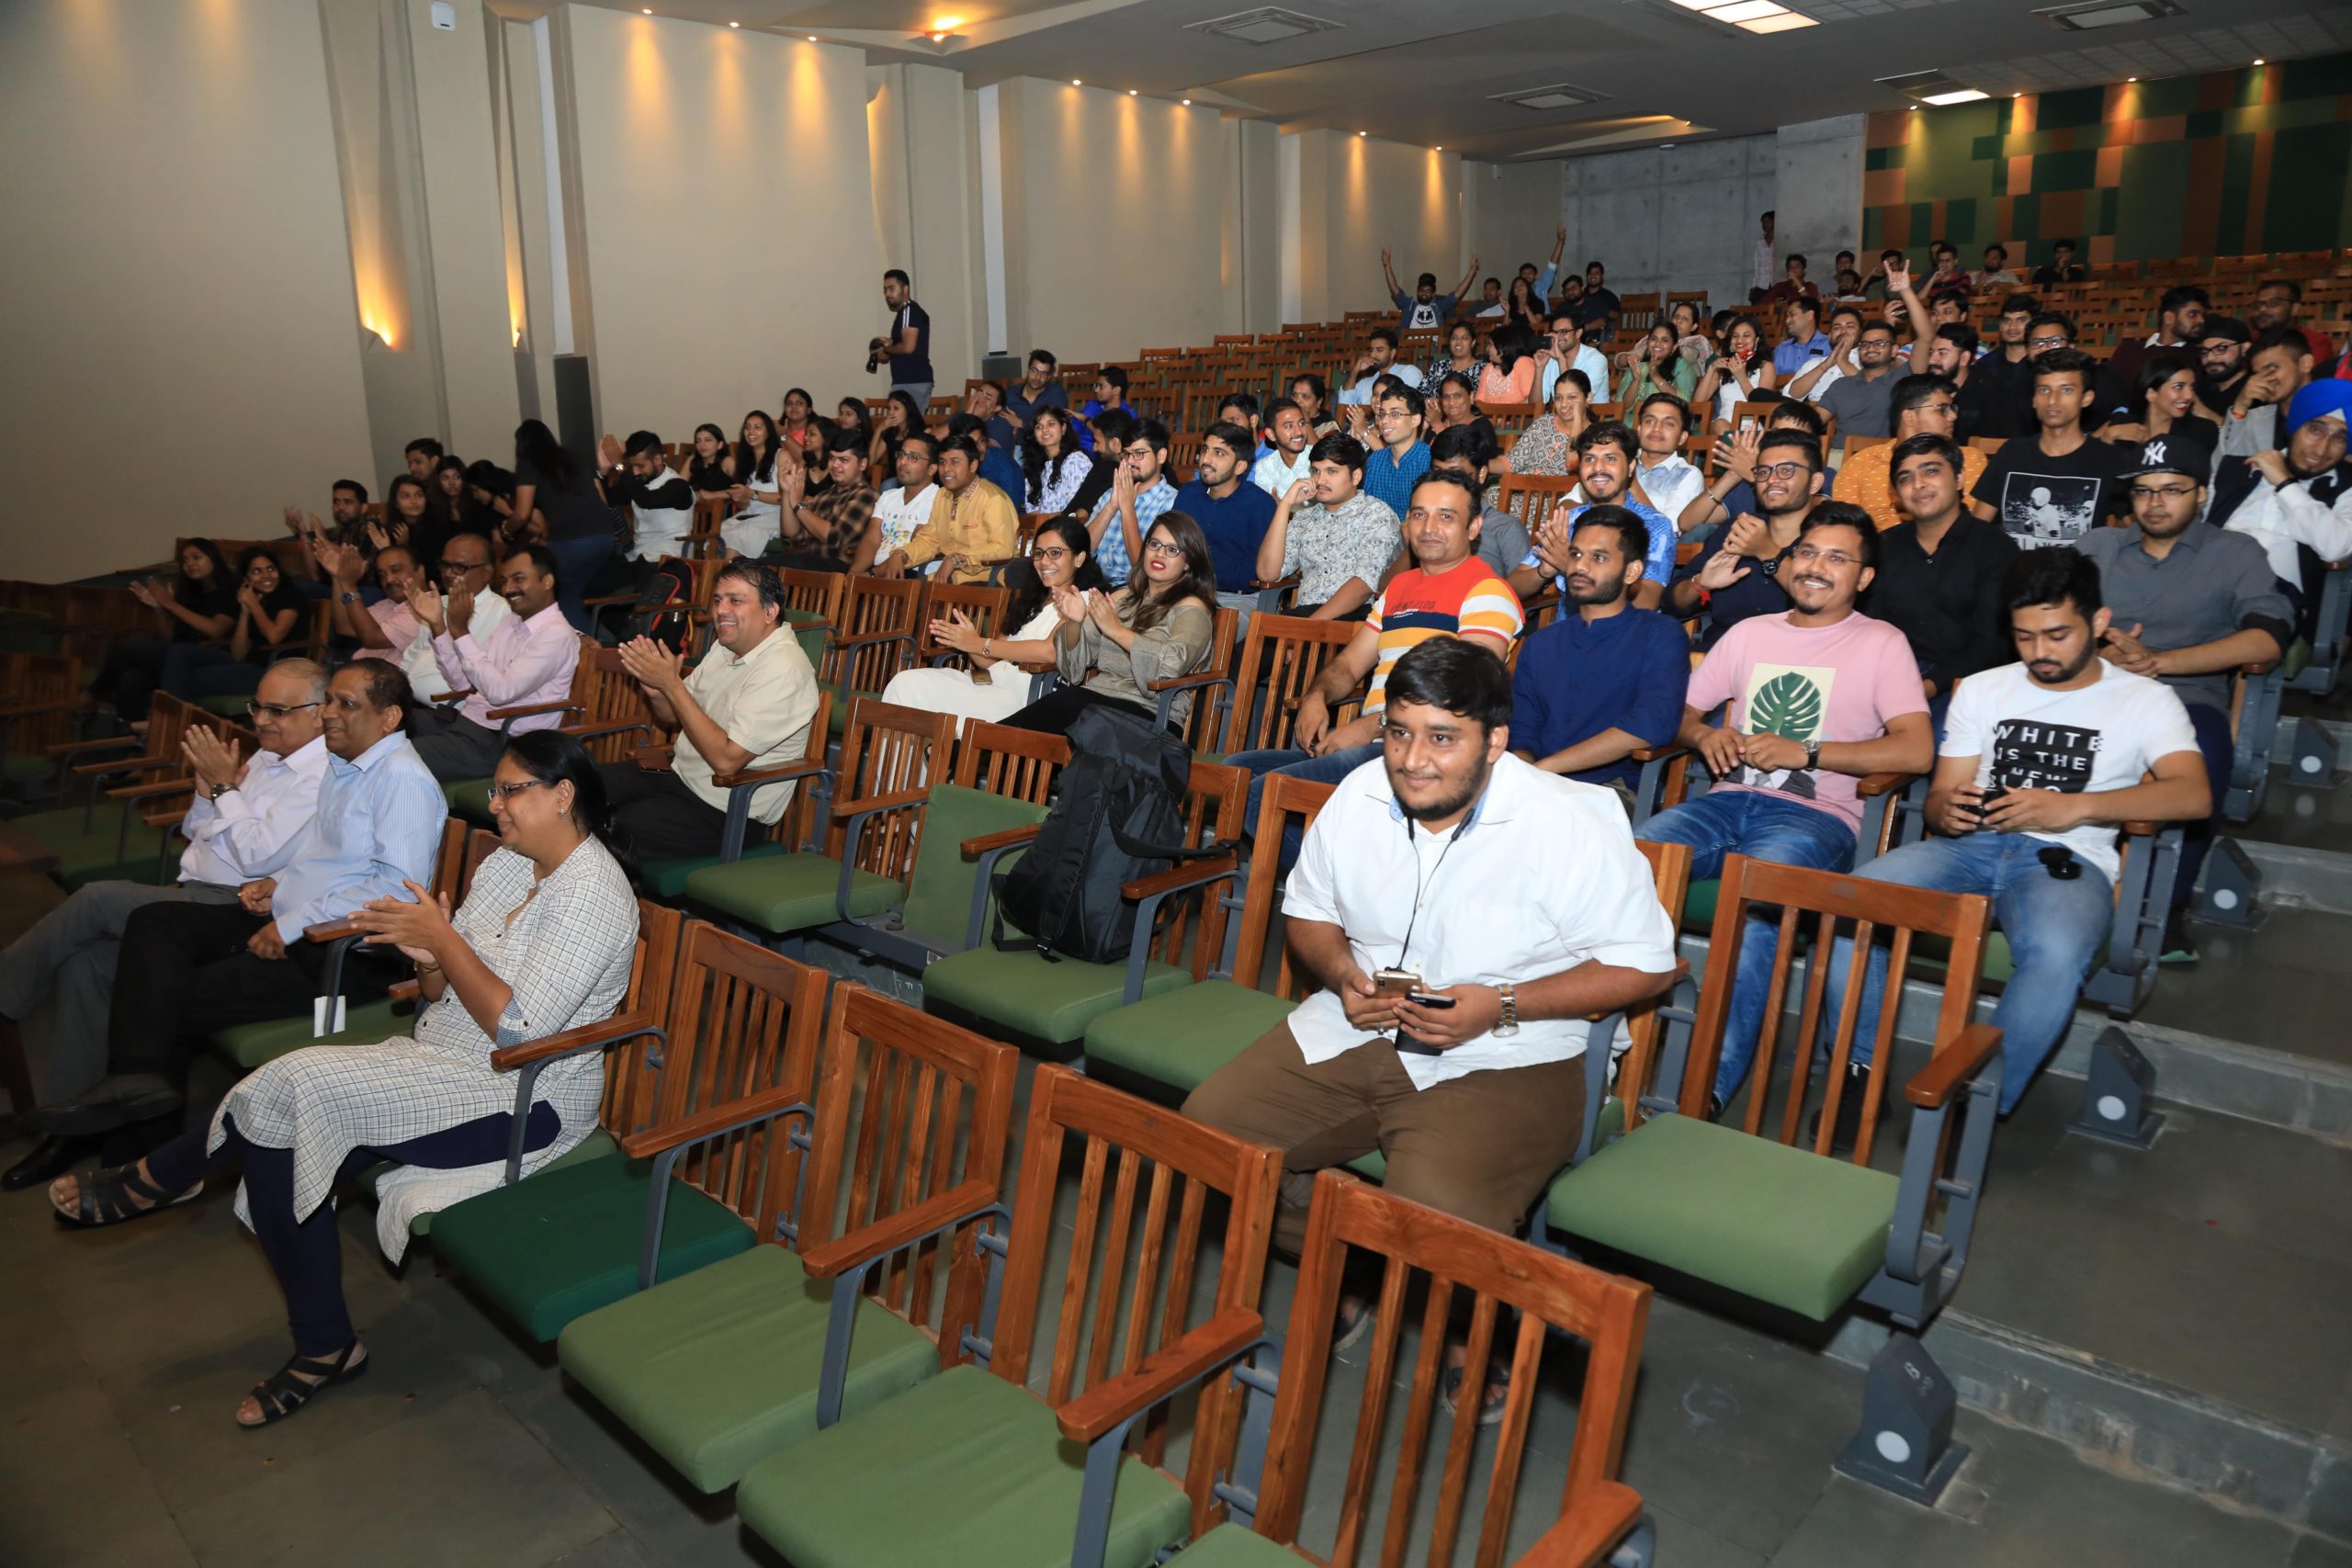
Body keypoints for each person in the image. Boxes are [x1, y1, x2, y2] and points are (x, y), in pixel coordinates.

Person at [45, 728, 637, 1429]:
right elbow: (444, 995)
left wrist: (443, 939)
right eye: (494, 790)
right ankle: (325, 1344)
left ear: (563, 794)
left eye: (511, 791)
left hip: (522, 1095)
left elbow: (521, 1031)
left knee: (295, 1081)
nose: (496, 805)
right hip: (443, 1057)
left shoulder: (594, 892)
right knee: (276, 1143)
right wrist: (427, 954)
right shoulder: (510, 865)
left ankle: (164, 1173)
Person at [1184, 637, 1678, 1419]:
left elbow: (1649, 966)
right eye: (1399, 731)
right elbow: (1307, 912)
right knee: (1211, 1137)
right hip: (1359, 1027)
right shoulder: (1361, 794)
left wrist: (1502, 1003)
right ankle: (1355, 1257)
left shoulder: (1566, 819)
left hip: (1513, 1050)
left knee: (1429, 1221)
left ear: (1496, 741)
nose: (1414, 759)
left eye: (1442, 737)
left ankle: (1473, 1322)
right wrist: (1344, 976)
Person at [1821, 547, 2208, 1130]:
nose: (2039, 653)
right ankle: (1855, 1074)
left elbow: (2191, 793)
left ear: (2098, 623)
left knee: (2053, 956)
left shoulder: (2144, 699)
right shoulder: (1984, 688)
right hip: (1971, 844)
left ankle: (1970, 1106)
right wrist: (1948, 808)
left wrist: (2075, 807)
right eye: (2025, 638)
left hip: (2067, 857)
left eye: (2056, 635)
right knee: (1852, 903)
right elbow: (1942, 795)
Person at [24, 661, 447, 1143]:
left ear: (390, 717)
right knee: (156, 921)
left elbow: (392, 890)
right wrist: (278, 880)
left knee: (163, 996)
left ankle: (139, 1148)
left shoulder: (401, 779)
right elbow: (330, 858)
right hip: (297, 923)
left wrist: (290, 924)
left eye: (346, 704)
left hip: (341, 955)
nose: (329, 713)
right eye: (329, 699)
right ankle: (134, 1080)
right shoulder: (345, 765)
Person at [1638, 505, 1933, 1105]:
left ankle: (1707, 1088)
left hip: (1816, 817)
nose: (1815, 567)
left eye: (1836, 557)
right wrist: (1703, 736)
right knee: (1629, 861)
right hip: (1724, 803)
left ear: (1865, 577)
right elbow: (1682, 713)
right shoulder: (1750, 634)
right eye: (1806, 552)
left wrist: (1810, 753)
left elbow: (1917, 749)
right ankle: (1609, 1042)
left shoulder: (1882, 643)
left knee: (1755, 905)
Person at [0, 662, 332, 1189]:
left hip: (235, 906)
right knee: (88, 965)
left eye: (278, 710)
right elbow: (196, 831)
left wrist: (224, 785)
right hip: (190, 892)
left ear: (320, 715)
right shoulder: (270, 758)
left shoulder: (322, 775)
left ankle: (3, 997)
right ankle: (70, 1124)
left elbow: (254, 856)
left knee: (93, 899)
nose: (263, 721)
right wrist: (207, 792)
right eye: (258, 707)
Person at [1228, 470, 1523, 863]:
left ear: (1474, 527)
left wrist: (1370, 727)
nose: (1429, 528)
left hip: (1418, 752)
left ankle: (1348, 885)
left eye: (1446, 517)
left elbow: (1465, 689)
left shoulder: (1487, 591)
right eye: (1419, 515)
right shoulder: (1400, 588)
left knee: (1260, 792)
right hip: (1373, 742)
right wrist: (1317, 697)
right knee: (1237, 772)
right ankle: (1346, 873)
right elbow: (1350, 664)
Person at [2077, 434, 2290, 961]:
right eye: (2144, 491)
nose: (2155, 503)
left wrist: (2159, 662)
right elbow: (2046, 619)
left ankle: (2163, 906)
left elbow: (2268, 637)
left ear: (2201, 493)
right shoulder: (2096, 547)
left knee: (2205, 757)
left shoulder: (2235, 552)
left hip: (2186, 697)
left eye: (2172, 490)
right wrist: (2101, 654)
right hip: (2091, 689)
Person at [599, 562, 820, 860]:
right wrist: (659, 693)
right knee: (577, 785)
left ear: (770, 611)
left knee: (606, 827)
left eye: (735, 600)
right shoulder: (725, 647)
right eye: (717, 600)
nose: (721, 609)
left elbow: (727, 762)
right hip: (678, 779)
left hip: (725, 811)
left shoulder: (784, 669)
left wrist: (673, 687)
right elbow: (673, 717)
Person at [1508, 507, 1690, 809]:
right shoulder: (1541, 643)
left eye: (1599, 557)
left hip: (1611, 791)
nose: (1581, 567)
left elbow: (1651, 724)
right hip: (1536, 785)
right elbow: (1522, 731)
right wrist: (1525, 771)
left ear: (1631, 571)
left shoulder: (1660, 635)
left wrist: (1542, 771)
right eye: (1576, 555)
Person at [1004, 511, 1217, 738]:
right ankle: (987, 747)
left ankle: (986, 750)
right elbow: (1072, 669)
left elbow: (1172, 665)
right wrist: (1075, 622)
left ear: (1188, 563)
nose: (1159, 554)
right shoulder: (1122, 598)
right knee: (1063, 706)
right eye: (1154, 544)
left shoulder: (1192, 607)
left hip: (1152, 714)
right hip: (1096, 701)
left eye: (1172, 549)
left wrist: (1116, 630)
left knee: (1069, 704)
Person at [884, 514, 1102, 729]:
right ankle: (915, 764)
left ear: (1078, 558)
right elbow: (992, 662)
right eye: (1038, 553)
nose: (1045, 561)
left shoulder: (1083, 600)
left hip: (1026, 701)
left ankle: (932, 760)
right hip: (992, 684)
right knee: (904, 683)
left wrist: (979, 644)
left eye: (1055, 553)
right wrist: (967, 642)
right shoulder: (1030, 599)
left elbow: (1050, 652)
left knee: (910, 691)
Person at [1865, 434, 2021, 726]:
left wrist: (1927, 686)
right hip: (1892, 676)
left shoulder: (1996, 548)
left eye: (1931, 471)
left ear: (1960, 479)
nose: (1919, 484)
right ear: (1896, 493)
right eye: (1905, 478)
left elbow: (1993, 645)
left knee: (1933, 741)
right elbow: (1872, 623)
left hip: (1966, 685)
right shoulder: (1885, 545)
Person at [407, 544, 581, 783]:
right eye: (505, 580)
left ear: (547, 581)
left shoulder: (556, 635)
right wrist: (439, 625)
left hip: (504, 742)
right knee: (379, 720)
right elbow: (461, 682)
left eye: (518, 579)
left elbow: (501, 692)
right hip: (469, 723)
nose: (508, 589)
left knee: (395, 756)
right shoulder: (511, 622)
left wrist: (460, 631)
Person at [2204, 383, 2352, 632]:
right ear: (2294, 427)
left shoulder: (2346, 486)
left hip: (2275, 603)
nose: (2321, 449)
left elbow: (2336, 548)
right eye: (2315, 429)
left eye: (2340, 437)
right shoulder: (2235, 470)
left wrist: (2284, 484)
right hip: (2206, 586)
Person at [1666, 430, 1829, 647]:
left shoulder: (1831, 540)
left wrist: (1766, 551)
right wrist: (1700, 585)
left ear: (1815, 482)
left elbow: (1826, 606)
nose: (1772, 480)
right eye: (1763, 472)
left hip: (1795, 660)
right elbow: (1671, 604)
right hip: (1722, 653)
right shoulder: (1737, 530)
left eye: (1786, 471)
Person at [1971, 348, 2132, 549]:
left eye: (2066, 390)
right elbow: (1978, 528)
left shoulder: (2112, 460)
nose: (2053, 400)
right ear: (2033, 399)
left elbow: (2133, 536)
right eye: (2044, 390)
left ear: (2086, 398)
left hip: (2080, 576)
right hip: (2013, 576)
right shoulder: (2012, 454)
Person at [1510, 422, 1677, 610]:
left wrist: (1571, 565)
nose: (1598, 468)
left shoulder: (1653, 526)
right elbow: (1511, 588)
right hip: (1568, 630)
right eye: (1589, 459)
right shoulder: (1567, 521)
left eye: (1610, 458)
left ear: (1631, 467)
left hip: (1624, 635)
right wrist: (1543, 571)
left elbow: (1646, 603)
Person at [1257, 433, 1403, 621]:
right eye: (1316, 471)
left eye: (1331, 471)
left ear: (1356, 476)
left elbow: (1365, 584)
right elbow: (1267, 573)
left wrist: (1308, 628)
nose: (1320, 480)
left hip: (1352, 617)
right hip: (1304, 614)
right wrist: (1285, 505)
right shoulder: (1305, 517)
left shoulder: (1376, 514)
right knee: (1245, 649)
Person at [1836, 374, 1987, 531]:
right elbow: (1843, 526)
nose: (1953, 416)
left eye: (1952, 409)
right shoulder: (1862, 462)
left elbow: (1970, 523)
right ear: (1909, 417)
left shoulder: (1968, 459)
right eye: (1943, 409)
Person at [507, 419, 618, 634]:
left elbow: (521, 513)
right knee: (579, 593)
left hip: (572, 539)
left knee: (560, 594)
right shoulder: (574, 456)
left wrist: (506, 530)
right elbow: (602, 500)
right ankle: (597, 640)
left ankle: (584, 652)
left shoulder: (529, 462)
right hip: (604, 536)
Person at [157, 547, 306, 706]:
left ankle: (169, 716)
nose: (266, 576)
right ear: (246, 578)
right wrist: (244, 613)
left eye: (271, 569)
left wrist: (255, 606)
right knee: (179, 652)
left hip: (276, 669)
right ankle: (170, 716)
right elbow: (238, 655)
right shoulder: (255, 600)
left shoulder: (290, 595)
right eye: (257, 571)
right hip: (249, 664)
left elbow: (274, 636)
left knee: (185, 678)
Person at [876, 434, 1022, 585]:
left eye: (954, 462)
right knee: (903, 594)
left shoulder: (993, 498)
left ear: (973, 466)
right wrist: (902, 554)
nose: (946, 469)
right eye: (942, 462)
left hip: (988, 580)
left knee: (918, 597)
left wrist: (957, 559)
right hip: (950, 578)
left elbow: (1003, 548)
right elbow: (929, 540)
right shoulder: (942, 496)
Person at [1676, 400, 1835, 537]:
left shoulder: (1822, 476)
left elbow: (1814, 523)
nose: (1781, 442)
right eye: (1776, 434)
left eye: (1793, 437)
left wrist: (1757, 478)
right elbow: (1686, 524)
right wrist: (1732, 475)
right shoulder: (1744, 480)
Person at [1175, 422, 1279, 607]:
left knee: (1196, 626)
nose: (1206, 459)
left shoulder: (1259, 504)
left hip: (1236, 600)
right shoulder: (1188, 494)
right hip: (1183, 591)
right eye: (1205, 449)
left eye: (1219, 453)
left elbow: (1258, 571)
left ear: (1240, 467)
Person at [401, 532, 509, 703]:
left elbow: (481, 682)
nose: (449, 574)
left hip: (455, 712)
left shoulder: (502, 613)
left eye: (459, 567)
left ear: (486, 573)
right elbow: (411, 657)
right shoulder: (437, 603)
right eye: (445, 565)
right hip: (411, 703)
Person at [1426, 425, 1531, 583]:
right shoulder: (1422, 522)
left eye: (1456, 473)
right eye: (1437, 472)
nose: (1445, 482)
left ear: (1481, 474)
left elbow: (1520, 596)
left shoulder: (1504, 529)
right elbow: (1387, 586)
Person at [1084, 415, 1180, 584]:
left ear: (1161, 456)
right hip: (1095, 583)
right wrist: (1111, 507)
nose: (1130, 461)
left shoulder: (1171, 502)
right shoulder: (1111, 494)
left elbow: (1143, 567)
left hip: (1135, 589)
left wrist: (1127, 509)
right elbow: (1083, 550)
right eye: (1127, 454)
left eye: (1139, 454)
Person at [767, 435, 879, 574]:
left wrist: (798, 504)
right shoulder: (822, 496)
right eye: (832, 458)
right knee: (753, 565)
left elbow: (834, 537)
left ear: (862, 464)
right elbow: (792, 535)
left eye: (844, 460)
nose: (835, 465)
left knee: (776, 565)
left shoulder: (867, 495)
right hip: (810, 562)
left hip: (839, 568)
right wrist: (786, 493)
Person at [2218, 326, 2317, 470]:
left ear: (2305, 363)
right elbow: (2220, 468)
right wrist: (2240, 406)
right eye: (2258, 373)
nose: (2264, 379)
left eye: (2272, 368)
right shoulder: (2254, 419)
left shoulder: (2336, 418)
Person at [315, 537, 425, 667]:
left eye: (396, 570)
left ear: (420, 571)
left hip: (384, 683)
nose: (389, 579)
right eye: (382, 575)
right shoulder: (388, 604)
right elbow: (344, 626)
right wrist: (338, 577)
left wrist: (349, 586)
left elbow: (372, 639)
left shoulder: (424, 608)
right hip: (359, 673)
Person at [596, 430, 695, 569]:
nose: (635, 472)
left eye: (640, 466)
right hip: (638, 556)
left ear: (658, 459)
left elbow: (647, 500)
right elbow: (609, 499)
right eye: (633, 466)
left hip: (670, 559)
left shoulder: (679, 486)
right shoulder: (639, 482)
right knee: (593, 574)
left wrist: (621, 466)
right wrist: (603, 472)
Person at [1503, 369, 1590, 479]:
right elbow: (1512, 462)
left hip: (1557, 494)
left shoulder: (1595, 434)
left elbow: (1572, 465)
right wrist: (1481, 465)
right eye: (1559, 398)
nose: (1564, 404)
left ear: (1588, 398)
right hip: (1522, 489)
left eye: (1572, 397)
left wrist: (1578, 419)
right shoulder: (1544, 422)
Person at [1629, 393, 1703, 521]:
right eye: (1650, 421)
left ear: (1682, 438)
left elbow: (1668, 529)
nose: (1657, 428)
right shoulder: (1620, 461)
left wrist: (1630, 480)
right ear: (1639, 430)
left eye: (1669, 424)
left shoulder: (1688, 475)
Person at [1362, 386, 1432, 521]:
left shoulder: (1430, 461)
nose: (1385, 421)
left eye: (1395, 414)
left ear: (1415, 420)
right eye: (1382, 414)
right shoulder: (1375, 459)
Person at [873, 429, 941, 564]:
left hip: (912, 573)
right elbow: (871, 540)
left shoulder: (937, 499)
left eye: (913, 457)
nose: (903, 461)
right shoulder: (887, 496)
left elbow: (917, 547)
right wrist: (855, 573)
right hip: (880, 574)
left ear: (932, 468)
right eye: (901, 454)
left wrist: (875, 574)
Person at [1694, 316, 1776, 427]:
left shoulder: (1766, 366)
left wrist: (1742, 377)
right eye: (1735, 336)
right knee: (1720, 424)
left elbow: (1762, 406)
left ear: (1756, 340)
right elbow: (1698, 404)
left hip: (1753, 429)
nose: (1740, 340)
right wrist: (1710, 371)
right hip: (1722, 426)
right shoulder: (1724, 367)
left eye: (1746, 335)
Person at [868, 268, 933, 408]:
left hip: (912, 382)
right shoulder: (904, 313)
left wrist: (886, 350)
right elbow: (906, 345)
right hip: (909, 381)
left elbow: (908, 347)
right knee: (904, 428)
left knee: (905, 427)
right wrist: (891, 343)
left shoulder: (909, 310)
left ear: (905, 289)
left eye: (892, 289)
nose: (887, 294)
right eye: (885, 289)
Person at [1383, 249, 1480, 335]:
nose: (1424, 293)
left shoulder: (1439, 306)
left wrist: (1472, 271)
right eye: (1421, 290)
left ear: (1433, 294)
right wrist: (1387, 265)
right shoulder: (1409, 304)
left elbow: (1457, 293)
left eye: (1428, 291)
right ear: (1417, 291)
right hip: (1410, 347)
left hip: (1433, 347)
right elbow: (1394, 288)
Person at [1017, 404, 1094, 514]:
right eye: (1039, 427)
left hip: (1069, 527)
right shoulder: (1034, 466)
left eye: (1051, 424)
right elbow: (1031, 509)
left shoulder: (1076, 461)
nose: (1045, 430)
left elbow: (1077, 509)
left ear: (1063, 428)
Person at [2252, 278, 2337, 367]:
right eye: (2258, 305)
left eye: (2273, 303)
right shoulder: (2251, 339)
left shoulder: (2316, 342)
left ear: (2294, 309)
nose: (2262, 309)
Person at [1536, 313, 1611, 407]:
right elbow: (1534, 406)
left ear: (1578, 333)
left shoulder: (1596, 359)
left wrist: (1561, 360)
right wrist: (1539, 368)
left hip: (1594, 418)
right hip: (1561, 418)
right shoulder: (1550, 358)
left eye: (1563, 332)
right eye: (1555, 332)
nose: (1558, 337)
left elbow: (1575, 401)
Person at [1338, 328, 1424, 406]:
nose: (1373, 355)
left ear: (1392, 353)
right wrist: (1355, 371)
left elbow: (1415, 405)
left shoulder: (1409, 372)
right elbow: (1344, 403)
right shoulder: (1366, 383)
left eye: (1379, 350)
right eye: (1371, 350)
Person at [1616, 322, 1697, 406]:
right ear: (1647, 343)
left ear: (1674, 347)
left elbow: (1684, 402)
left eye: (1665, 340)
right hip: (1633, 418)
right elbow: (1622, 407)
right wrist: (1635, 380)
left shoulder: (1682, 367)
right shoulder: (1636, 367)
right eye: (1654, 339)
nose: (1658, 343)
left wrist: (1656, 377)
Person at [1252, 397, 1314, 497]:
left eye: (1301, 423)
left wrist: (1283, 506)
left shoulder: (1319, 459)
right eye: (1289, 426)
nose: (1299, 431)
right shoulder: (1264, 467)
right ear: (1271, 434)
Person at [2197, 316, 2254, 415]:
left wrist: (2203, 412)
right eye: (2204, 352)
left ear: (2244, 349)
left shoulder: (2254, 392)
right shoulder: (2199, 388)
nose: (2210, 358)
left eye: (2220, 349)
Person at [1475, 323, 1540, 407]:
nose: (1487, 349)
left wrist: (1503, 414)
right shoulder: (1489, 368)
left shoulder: (1524, 363)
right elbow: (1478, 401)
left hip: (1517, 418)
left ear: (1503, 346)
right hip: (1489, 419)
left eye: (1490, 344)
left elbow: (1530, 400)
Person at [1002, 348, 1069, 431]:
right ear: (1028, 370)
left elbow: (1055, 428)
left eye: (1043, 374)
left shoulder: (1056, 394)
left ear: (1048, 377)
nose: (1037, 377)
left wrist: (1021, 423)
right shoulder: (1011, 394)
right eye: (1034, 371)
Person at [1421, 321, 1486, 402]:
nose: (1458, 342)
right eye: (1454, 338)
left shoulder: (1483, 369)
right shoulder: (1438, 366)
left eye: (1464, 338)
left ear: (1473, 342)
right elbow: (1420, 394)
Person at [1771, 297, 1833, 382]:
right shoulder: (1782, 349)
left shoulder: (1829, 345)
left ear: (1809, 315)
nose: (1787, 320)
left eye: (1792, 314)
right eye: (1787, 316)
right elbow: (1772, 382)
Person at [684, 423, 735, 496]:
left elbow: (742, 491)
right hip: (695, 506)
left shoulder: (728, 461)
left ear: (720, 445)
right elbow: (679, 486)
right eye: (698, 441)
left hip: (721, 506)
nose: (702, 445)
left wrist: (713, 495)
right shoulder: (692, 460)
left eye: (708, 440)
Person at [1290, 373, 1338, 437]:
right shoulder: (1287, 418)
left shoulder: (1329, 428)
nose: (1297, 400)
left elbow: (1319, 446)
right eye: (1294, 395)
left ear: (1319, 402)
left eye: (1305, 397)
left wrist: (1306, 420)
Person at [1751, 210, 1777, 300]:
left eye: (1768, 221)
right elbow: (1756, 267)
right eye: (1763, 223)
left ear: (1774, 221)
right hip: (1761, 285)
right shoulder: (1759, 243)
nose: (1765, 225)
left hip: (1776, 284)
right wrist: (1753, 287)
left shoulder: (1780, 241)